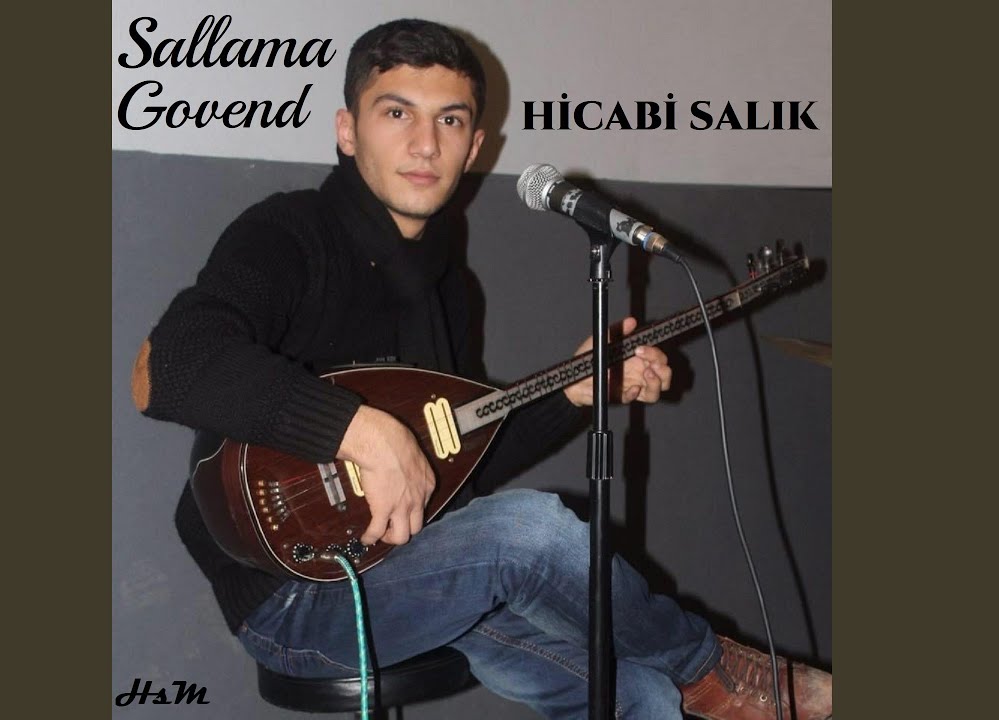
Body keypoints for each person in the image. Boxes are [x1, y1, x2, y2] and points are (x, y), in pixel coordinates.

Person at [131, 18, 831, 720]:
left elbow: (454, 471)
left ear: (474, 148)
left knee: (639, 694)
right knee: (532, 531)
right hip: (293, 598)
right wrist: (362, 432)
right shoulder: (288, 235)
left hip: (411, 564)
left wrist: (574, 395)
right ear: (347, 131)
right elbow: (168, 367)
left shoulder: (448, 287)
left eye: (450, 120)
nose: (425, 143)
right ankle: (713, 672)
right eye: (397, 113)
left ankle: (685, 684)